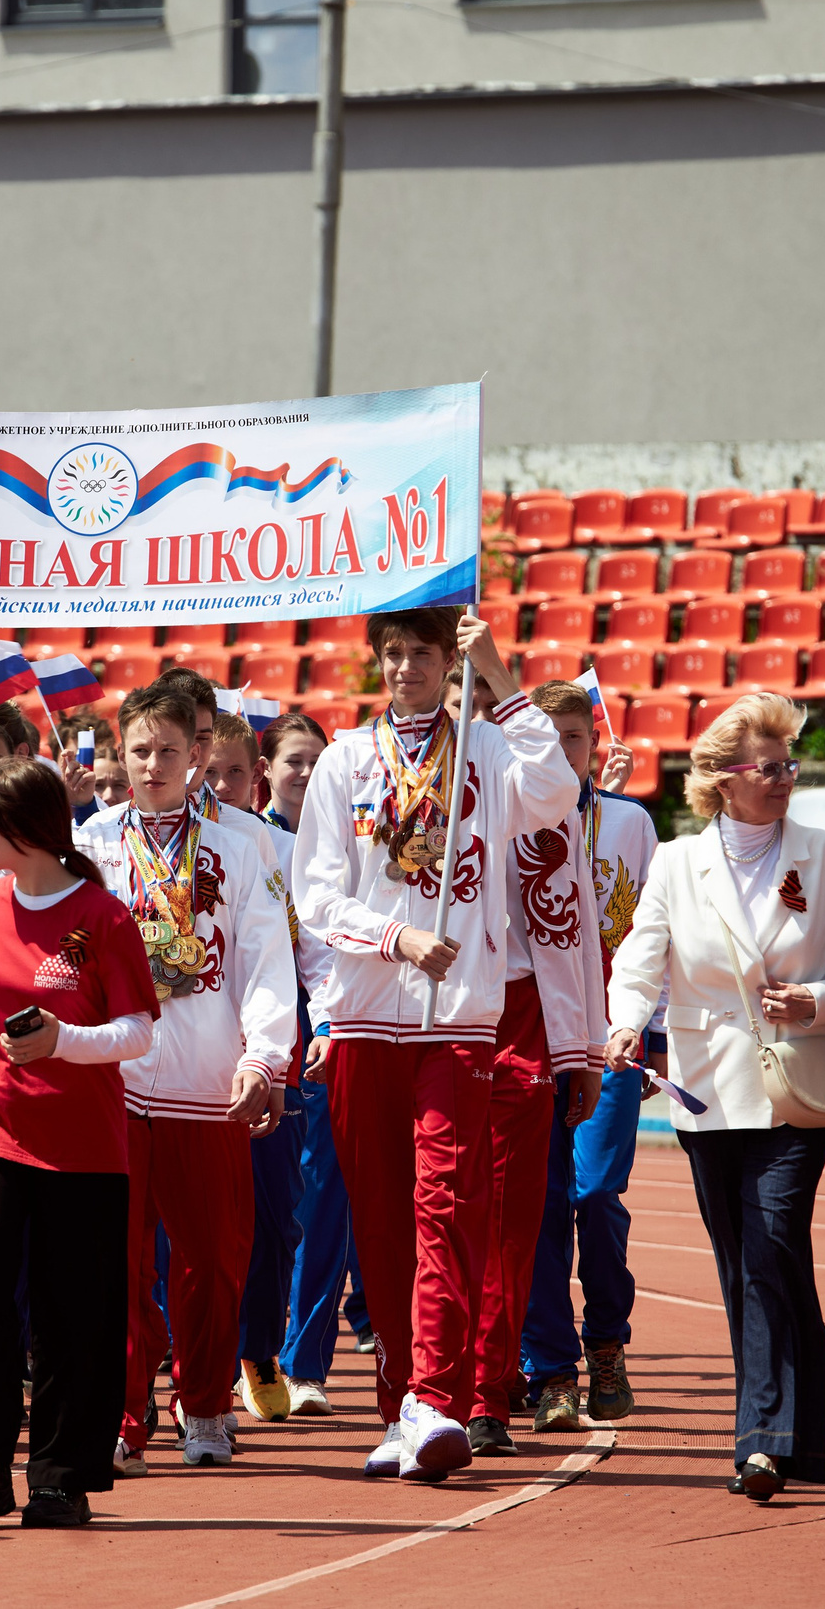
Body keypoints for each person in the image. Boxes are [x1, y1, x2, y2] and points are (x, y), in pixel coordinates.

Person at [292, 607, 576, 1482]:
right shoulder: (344, 759)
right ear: (378, 663)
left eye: (423, 652)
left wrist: (495, 669)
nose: (409, 666)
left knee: (446, 1205)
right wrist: (395, 938)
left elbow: (558, 791)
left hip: (459, 1017)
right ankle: (397, 1403)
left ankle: (437, 1400)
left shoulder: (488, 749)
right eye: (396, 653)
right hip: (368, 1013)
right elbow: (314, 896)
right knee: (377, 1216)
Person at [604, 692, 825, 1503]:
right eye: (769, 765)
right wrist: (623, 1028)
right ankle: (792, 1429)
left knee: (772, 1240)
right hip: (706, 1082)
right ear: (721, 776)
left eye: (791, 762)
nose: (785, 777)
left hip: (795, 1081)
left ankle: (760, 1439)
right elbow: (642, 958)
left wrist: (817, 999)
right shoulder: (680, 861)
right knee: (741, 1259)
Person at [0, 758, 159, 1529]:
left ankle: (61, 1475)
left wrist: (62, 1041)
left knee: (75, 1307)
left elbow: (135, 1033)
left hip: (83, 1141)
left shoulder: (104, 915)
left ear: (25, 828)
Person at [79, 686, 296, 1472]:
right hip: (116, 1078)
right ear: (120, 754)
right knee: (115, 1258)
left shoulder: (244, 845)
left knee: (212, 1257)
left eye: (170, 749)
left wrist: (261, 1058)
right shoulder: (94, 843)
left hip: (208, 1080)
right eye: (139, 749)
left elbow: (269, 963)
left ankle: (204, 1404)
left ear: (198, 756)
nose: (153, 764)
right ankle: (125, 1410)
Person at [464, 675, 617, 1457]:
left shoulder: (566, 821)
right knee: (433, 1216)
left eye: (569, 740)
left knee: (514, 1223)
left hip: (522, 1023)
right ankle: (431, 1383)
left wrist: (585, 1048)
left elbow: (581, 935)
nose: (551, 753)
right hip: (430, 1013)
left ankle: (490, 1391)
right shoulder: (430, 787)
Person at [518, 683, 661, 1433]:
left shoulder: (631, 824)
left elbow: (654, 932)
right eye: (548, 737)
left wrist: (652, 1028)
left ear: (593, 746)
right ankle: (551, 1371)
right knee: (537, 1210)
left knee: (596, 1196)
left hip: (609, 1047)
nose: (562, 752)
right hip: (525, 1044)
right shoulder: (505, 820)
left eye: (574, 737)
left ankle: (606, 1340)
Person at [254, 713, 350, 1416]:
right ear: (266, 769)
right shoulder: (246, 843)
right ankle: (245, 1354)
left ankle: (305, 1362)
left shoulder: (347, 843)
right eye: (294, 759)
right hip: (257, 1050)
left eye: (319, 758)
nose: (307, 772)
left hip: (326, 1040)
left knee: (321, 1207)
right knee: (266, 1216)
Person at [203, 716, 260, 814]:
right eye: (209, 771)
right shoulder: (178, 829)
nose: (222, 787)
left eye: (235, 770)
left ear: (257, 772)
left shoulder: (268, 830)